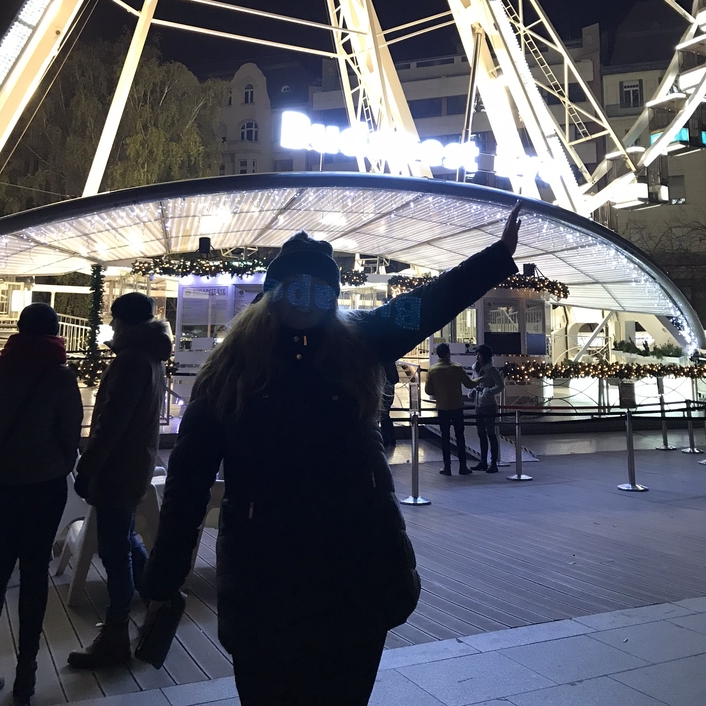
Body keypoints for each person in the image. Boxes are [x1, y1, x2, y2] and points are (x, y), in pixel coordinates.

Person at [141, 205, 521, 706]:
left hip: (354, 570)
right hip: (268, 576)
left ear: (334, 296)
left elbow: (427, 304)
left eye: (321, 291)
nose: (308, 301)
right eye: (296, 289)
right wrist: (165, 578)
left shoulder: (360, 340)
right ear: (273, 293)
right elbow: (188, 483)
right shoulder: (231, 369)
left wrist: (497, 257)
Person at [68, 292, 172, 670]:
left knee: (114, 552)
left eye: (114, 320)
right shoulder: (152, 358)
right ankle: (158, 601)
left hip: (116, 470)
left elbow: (112, 423)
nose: (110, 326)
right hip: (136, 466)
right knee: (125, 538)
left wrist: (88, 468)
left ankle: (115, 635)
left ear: (123, 323)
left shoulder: (129, 361)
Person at [0, 303, 82, 705]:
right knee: (34, 573)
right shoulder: (60, 377)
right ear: (56, 332)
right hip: (44, 487)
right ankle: (28, 669)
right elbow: (71, 436)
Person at [425, 343, 472, 476]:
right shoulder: (457, 368)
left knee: (445, 437)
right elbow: (469, 383)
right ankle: (463, 466)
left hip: (442, 407)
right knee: (460, 437)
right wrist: (480, 379)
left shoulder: (433, 370)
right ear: (448, 353)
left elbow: (428, 390)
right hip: (457, 406)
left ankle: (447, 467)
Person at [465, 344, 505, 473]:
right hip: (478, 403)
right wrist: (472, 391)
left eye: (479, 354)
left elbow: (500, 386)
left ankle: (493, 463)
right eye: (476, 354)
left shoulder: (491, 370)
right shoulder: (475, 368)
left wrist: (488, 391)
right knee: (481, 434)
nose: (477, 356)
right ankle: (482, 461)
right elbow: (473, 382)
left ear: (485, 356)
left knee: (491, 434)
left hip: (489, 404)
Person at [380, 362, 399, 448]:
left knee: (381, 415)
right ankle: (390, 438)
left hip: (380, 391)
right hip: (389, 391)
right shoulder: (390, 363)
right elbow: (396, 379)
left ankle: (385, 439)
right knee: (386, 414)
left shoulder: (379, 363)